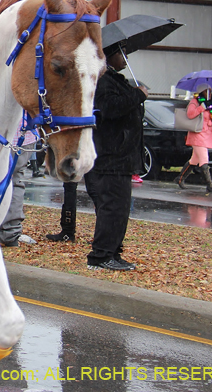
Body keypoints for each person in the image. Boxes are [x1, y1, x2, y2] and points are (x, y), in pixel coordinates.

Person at [83, 44, 147, 271]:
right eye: (122, 53)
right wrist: (138, 95)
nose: (125, 58)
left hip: (122, 158)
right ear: (110, 56)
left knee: (120, 209)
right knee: (110, 208)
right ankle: (100, 256)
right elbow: (109, 108)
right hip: (109, 157)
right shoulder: (102, 81)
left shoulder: (117, 80)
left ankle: (113, 251)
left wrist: (136, 93)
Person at [176, 85, 212, 194]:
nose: (208, 93)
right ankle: (209, 184)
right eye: (206, 91)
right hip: (197, 134)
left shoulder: (210, 104)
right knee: (204, 159)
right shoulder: (195, 102)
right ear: (201, 92)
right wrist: (202, 107)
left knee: (194, 160)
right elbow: (190, 114)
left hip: (206, 135)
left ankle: (180, 178)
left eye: (209, 91)